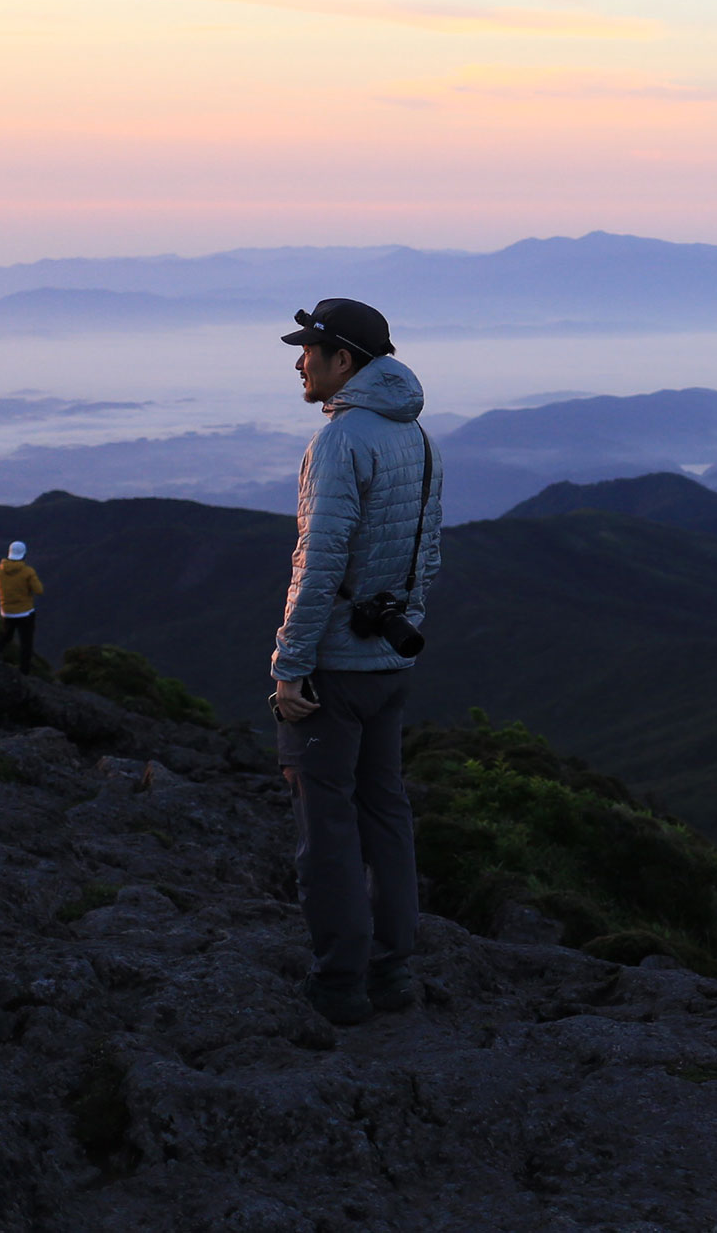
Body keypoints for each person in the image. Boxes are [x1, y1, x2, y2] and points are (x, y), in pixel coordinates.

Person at [271, 298, 444, 1027]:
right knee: (388, 813)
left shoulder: (342, 443)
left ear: (345, 361)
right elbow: (426, 556)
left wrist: (290, 663)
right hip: (389, 663)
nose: (299, 361)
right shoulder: (422, 438)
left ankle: (340, 981)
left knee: (329, 827)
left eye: (310, 349)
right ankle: (394, 969)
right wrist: (400, 625)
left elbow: (318, 565)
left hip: (334, 672)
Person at [0, 541, 43, 674]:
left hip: (7, 613)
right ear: (24, 555)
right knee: (26, 643)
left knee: (6, 636)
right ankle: (24, 672)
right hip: (25, 613)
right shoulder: (28, 572)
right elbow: (39, 590)